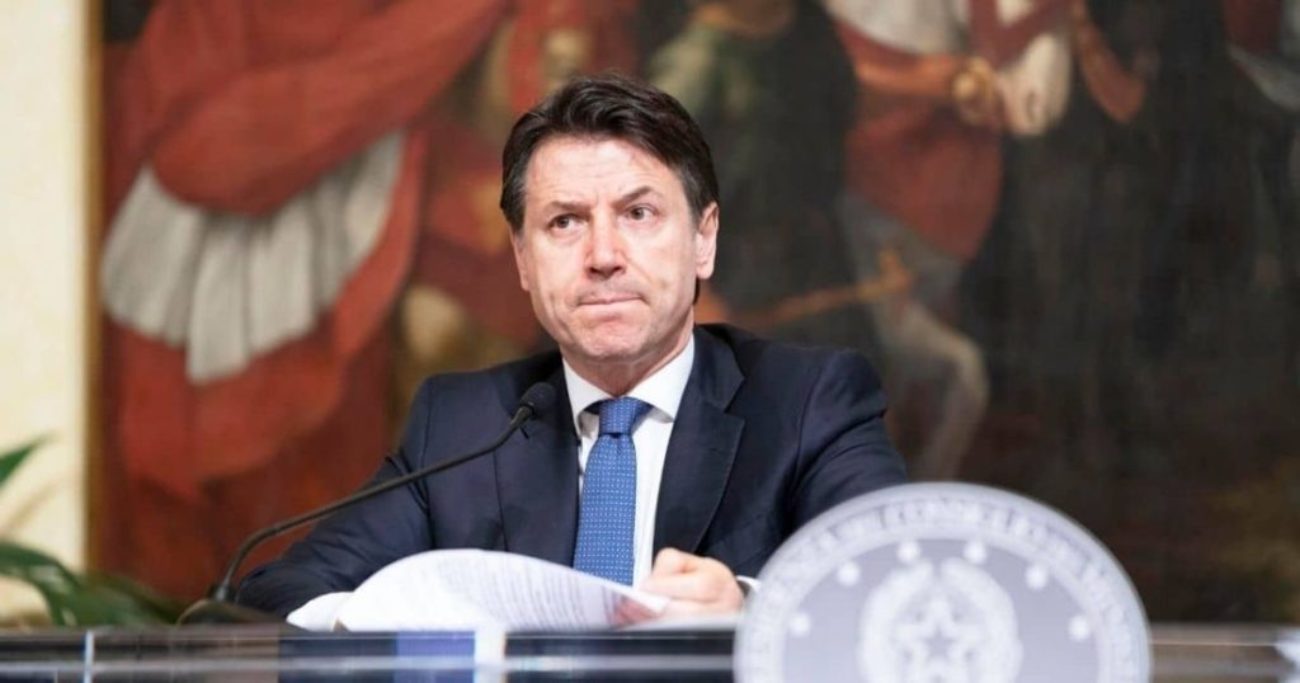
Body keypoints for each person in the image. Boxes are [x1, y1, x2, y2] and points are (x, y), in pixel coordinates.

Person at [236, 73, 906, 621]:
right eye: (564, 223)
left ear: (703, 240)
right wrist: (387, 620)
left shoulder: (808, 403)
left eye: (638, 214)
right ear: (523, 260)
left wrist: (749, 608)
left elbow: (900, 588)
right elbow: (273, 597)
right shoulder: (462, 426)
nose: (603, 255)